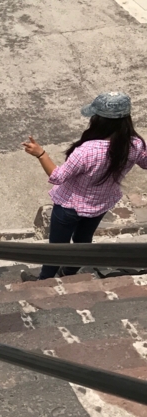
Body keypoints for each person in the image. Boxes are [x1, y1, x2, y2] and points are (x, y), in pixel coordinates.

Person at [21, 92, 146, 281]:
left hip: (69, 206)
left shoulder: (86, 151)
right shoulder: (135, 144)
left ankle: (44, 280)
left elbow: (57, 176)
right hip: (100, 205)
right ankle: (69, 273)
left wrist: (41, 154)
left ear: (100, 121)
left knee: (56, 247)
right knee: (82, 241)